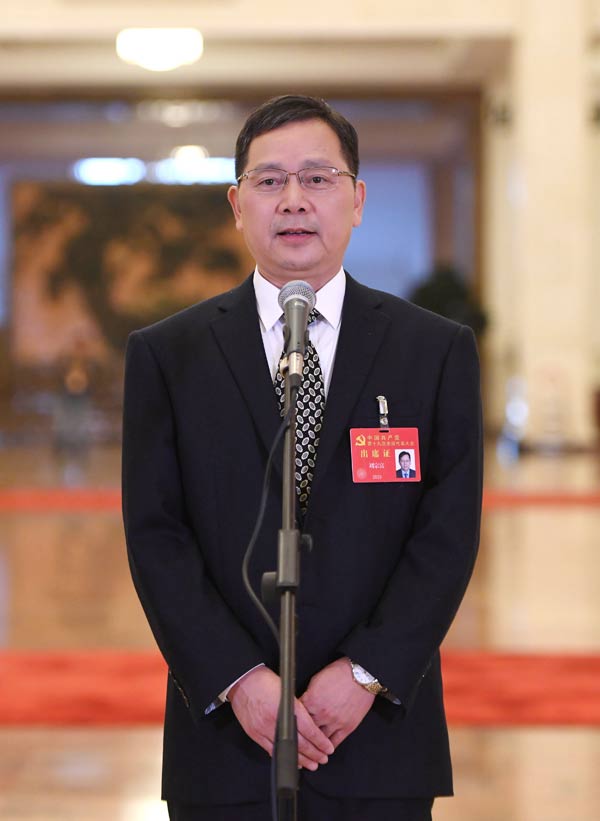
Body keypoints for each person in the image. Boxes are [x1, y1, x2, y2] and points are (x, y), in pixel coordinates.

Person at [122, 94, 483, 821]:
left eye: (318, 178)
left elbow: (447, 533)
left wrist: (365, 672)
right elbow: (156, 534)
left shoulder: (434, 351)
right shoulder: (169, 355)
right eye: (269, 181)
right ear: (236, 203)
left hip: (379, 733)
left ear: (356, 199)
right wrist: (239, 678)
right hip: (226, 736)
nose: (293, 200)